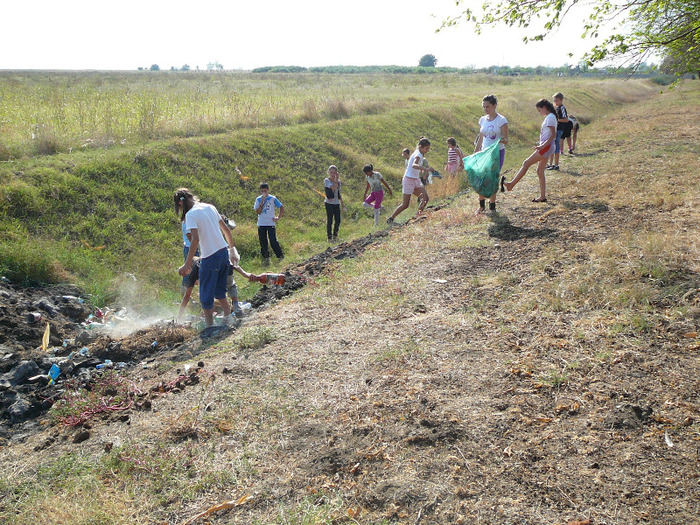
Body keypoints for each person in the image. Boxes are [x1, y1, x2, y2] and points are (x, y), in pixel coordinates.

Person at [175, 188, 235, 327]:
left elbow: (194, 239)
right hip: (223, 252)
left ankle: (210, 328)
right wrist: (232, 249)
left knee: (205, 296)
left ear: (180, 203)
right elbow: (226, 230)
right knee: (220, 291)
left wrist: (187, 264)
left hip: (210, 257)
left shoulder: (190, 215)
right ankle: (228, 319)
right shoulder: (210, 206)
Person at [503, 99, 557, 203]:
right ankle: (542, 196)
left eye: (539, 110)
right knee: (540, 171)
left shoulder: (550, 117)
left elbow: (553, 135)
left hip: (547, 147)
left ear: (544, 108)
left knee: (526, 163)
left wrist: (542, 145)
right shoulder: (551, 117)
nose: (539, 112)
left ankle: (511, 185)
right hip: (548, 146)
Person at [474, 95, 509, 213]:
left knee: (492, 178)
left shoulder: (501, 120)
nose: (485, 109)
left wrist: (497, 142)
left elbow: (506, 140)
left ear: (494, 106)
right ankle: (481, 205)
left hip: (497, 153)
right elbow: (481, 137)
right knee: (481, 178)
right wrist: (476, 152)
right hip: (484, 153)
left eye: (487, 106)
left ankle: (492, 205)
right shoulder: (482, 120)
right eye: (484, 107)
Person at [387, 137, 434, 225]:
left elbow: (416, 167)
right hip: (408, 180)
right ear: (421, 147)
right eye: (426, 149)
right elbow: (414, 165)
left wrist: (426, 168)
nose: (427, 151)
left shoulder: (419, 153)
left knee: (425, 198)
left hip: (415, 179)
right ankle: (391, 218)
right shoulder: (418, 155)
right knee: (405, 204)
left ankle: (418, 216)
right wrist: (425, 169)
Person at [254, 182, 284, 266]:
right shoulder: (258, 199)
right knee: (263, 241)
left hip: (271, 223)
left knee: (273, 240)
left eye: (265, 191)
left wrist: (278, 217)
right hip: (261, 223)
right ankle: (266, 258)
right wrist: (262, 202)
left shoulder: (272, 198)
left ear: (268, 190)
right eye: (262, 191)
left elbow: (281, 207)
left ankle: (280, 256)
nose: (264, 192)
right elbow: (258, 212)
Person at [546, 92, 571, 171]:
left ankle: (556, 164)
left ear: (561, 100)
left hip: (559, 129)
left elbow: (566, 119)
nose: (555, 102)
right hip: (555, 129)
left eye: (556, 100)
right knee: (552, 146)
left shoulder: (561, 108)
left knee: (556, 147)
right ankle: (550, 164)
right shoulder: (556, 107)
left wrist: (556, 120)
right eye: (554, 100)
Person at [324, 165, 345, 242]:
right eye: (331, 172)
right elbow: (334, 188)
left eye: (334, 173)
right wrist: (336, 180)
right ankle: (329, 238)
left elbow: (338, 192)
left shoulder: (338, 182)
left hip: (336, 203)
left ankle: (335, 236)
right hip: (329, 203)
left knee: (338, 220)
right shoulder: (327, 180)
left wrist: (342, 204)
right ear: (329, 172)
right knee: (330, 220)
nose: (333, 174)